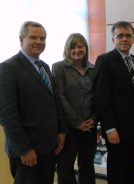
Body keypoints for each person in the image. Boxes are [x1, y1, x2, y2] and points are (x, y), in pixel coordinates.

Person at [0, 21, 66, 184]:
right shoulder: (7, 68)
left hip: (49, 147)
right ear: (21, 40)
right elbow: (7, 115)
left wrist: (61, 131)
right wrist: (24, 149)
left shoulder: (44, 66)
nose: (39, 42)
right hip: (28, 151)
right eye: (33, 37)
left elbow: (53, 102)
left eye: (42, 38)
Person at [93, 21, 134, 184]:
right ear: (113, 39)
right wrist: (109, 128)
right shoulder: (105, 60)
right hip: (117, 130)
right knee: (118, 172)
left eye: (128, 35)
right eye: (120, 35)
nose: (124, 39)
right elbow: (101, 98)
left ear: (133, 39)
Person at [52, 33, 97, 184]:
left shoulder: (94, 69)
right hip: (68, 128)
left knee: (87, 166)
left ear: (85, 48)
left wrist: (93, 119)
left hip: (89, 127)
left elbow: (99, 97)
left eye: (80, 46)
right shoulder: (59, 68)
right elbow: (60, 97)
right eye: (73, 47)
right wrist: (77, 122)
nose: (77, 50)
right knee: (65, 168)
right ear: (67, 49)